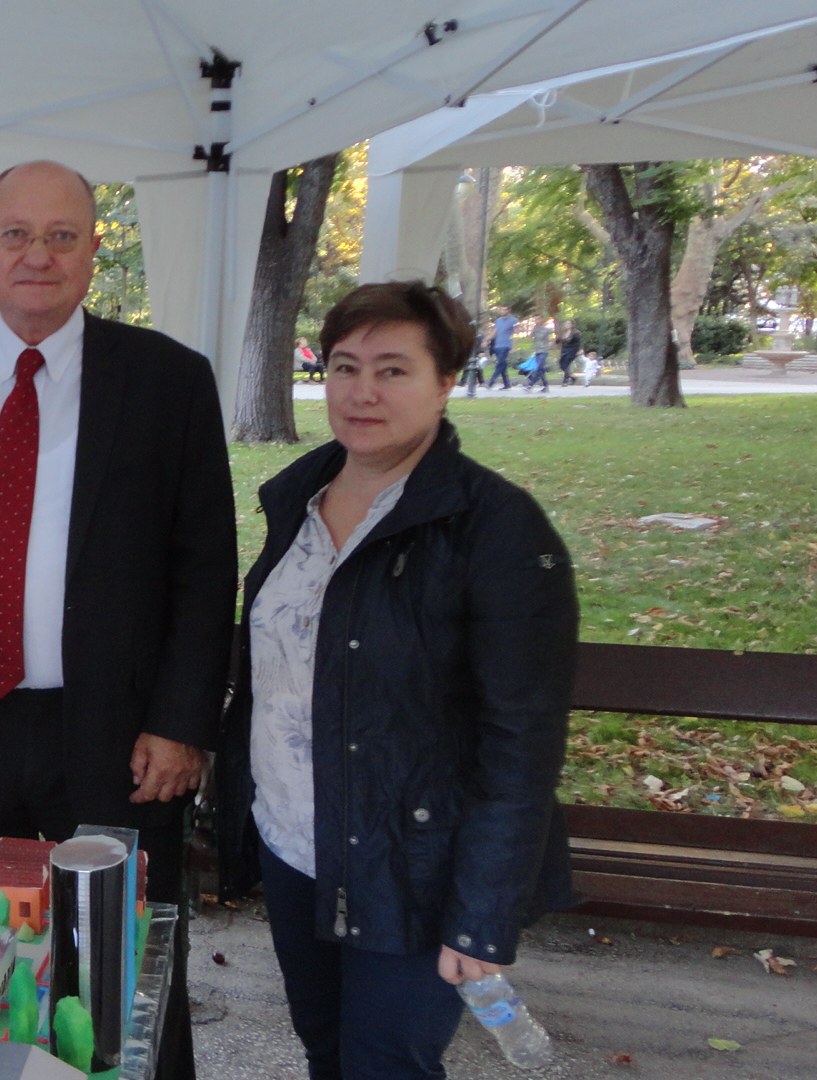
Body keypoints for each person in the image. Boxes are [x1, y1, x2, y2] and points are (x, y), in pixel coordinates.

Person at [215, 280, 577, 1079]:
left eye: (392, 370)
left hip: (414, 865)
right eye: (345, 367)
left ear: (445, 382)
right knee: (326, 1050)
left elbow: (521, 741)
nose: (362, 392)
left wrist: (481, 916)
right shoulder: (299, 498)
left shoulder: (497, 527)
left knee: (385, 1065)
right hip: (293, 843)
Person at [0, 160, 236, 904]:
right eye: (16, 234)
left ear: (93, 249)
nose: (38, 256)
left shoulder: (169, 383)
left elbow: (206, 568)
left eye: (62, 236)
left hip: (116, 732)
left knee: (114, 947)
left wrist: (182, 722)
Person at [488, 306, 517, 390]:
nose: (503, 311)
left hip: (506, 345)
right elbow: (495, 332)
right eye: (502, 310)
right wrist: (486, 339)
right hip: (498, 345)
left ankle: (491, 382)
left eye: (505, 310)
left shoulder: (513, 320)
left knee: (500, 364)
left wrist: (514, 346)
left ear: (509, 310)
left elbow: (516, 333)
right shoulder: (498, 320)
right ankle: (507, 384)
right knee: (502, 365)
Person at [525, 317, 552, 392]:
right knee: (541, 369)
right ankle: (546, 386)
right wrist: (532, 328)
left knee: (539, 367)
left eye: (538, 319)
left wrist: (550, 345)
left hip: (544, 350)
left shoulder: (546, 329)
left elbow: (552, 338)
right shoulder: (535, 329)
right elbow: (530, 336)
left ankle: (530, 385)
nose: (537, 321)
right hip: (537, 351)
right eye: (535, 320)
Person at [556, 319, 582, 386]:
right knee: (561, 364)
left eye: (569, 323)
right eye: (566, 323)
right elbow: (558, 341)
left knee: (567, 364)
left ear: (572, 325)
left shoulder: (575, 333)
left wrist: (580, 350)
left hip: (572, 350)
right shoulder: (563, 333)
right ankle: (572, 377)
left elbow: (579, 343)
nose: (567, 325)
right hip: (564, 350)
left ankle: (565, 381)